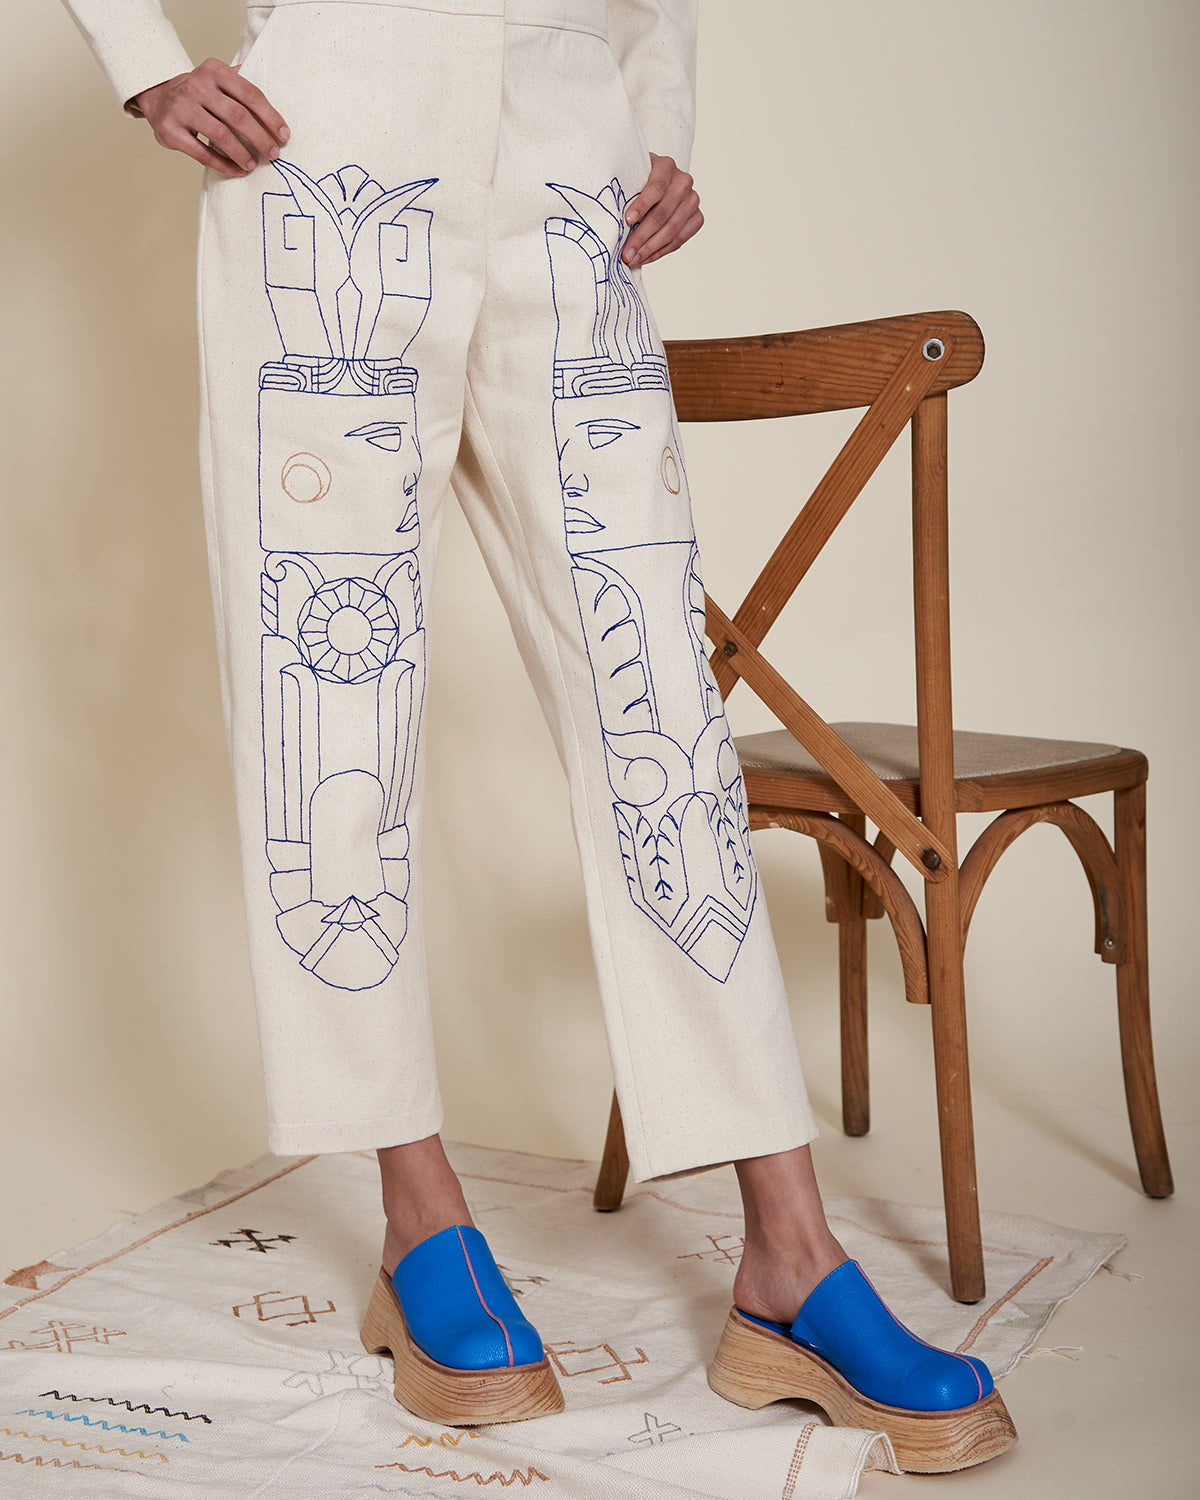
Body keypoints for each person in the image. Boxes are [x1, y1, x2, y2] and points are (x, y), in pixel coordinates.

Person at [59, 0, 1016, 1470]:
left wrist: (660, 129)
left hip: (571, 172)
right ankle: (420, 1219)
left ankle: (790, 1256)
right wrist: (145, 72)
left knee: (664, 717)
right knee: (335, 705)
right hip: (327, 153)